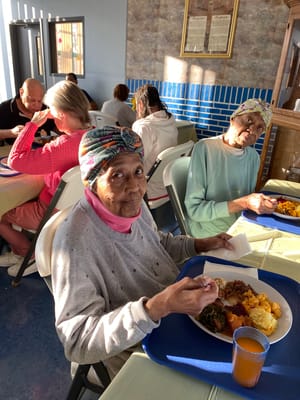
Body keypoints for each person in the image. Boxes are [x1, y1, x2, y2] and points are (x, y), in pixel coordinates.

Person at [49, 126, 233, 383]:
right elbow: (77, 341)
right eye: (117, 175)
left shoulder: (131, 206)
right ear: (91, 181)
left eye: (138, 171)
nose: (135, 187)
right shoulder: (75, 243)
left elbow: (157, 245)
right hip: (136, 346)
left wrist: (200, 244)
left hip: (173, 317)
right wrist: (155, 307)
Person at [0, 80, 91, 276]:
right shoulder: (94, 135)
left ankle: (25, 252)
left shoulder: (63, 145)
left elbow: (15, 160)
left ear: (60, 114)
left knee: (1, 211)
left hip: (49, 212)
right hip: (78, 209)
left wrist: (32, 124)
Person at [185, 98, 278, 238]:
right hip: (211, 234)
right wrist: (245, 202)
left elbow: (247, 200)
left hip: (241, 225)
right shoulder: (205, 149)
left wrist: (258, 203)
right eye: (249, 120)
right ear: (233, 118)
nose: (252, 130)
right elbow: (195, 210)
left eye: (260, 128)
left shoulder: (253, 157)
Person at [132, 84, 178, 201]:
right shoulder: (171, 122)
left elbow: (134, 162)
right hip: (168, 186)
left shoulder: (143, 127)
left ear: (141, 104)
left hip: (149, 191)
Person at [0, 78, 56, 145]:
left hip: (42, 152)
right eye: (32, 100)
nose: (37, 105)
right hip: (15, 152)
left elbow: (59, 128)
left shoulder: (45, 107)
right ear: (21, 93)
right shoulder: (5, 108)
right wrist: (11, 132)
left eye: (40, 101)